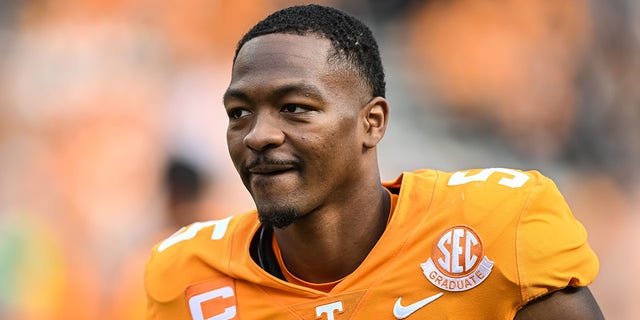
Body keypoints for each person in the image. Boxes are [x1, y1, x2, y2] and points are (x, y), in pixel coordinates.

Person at [145, 4, 603, 319]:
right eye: (239, 113)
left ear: (373, 122)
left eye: (295, 107)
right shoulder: (189, 274)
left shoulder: (498, 226)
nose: (259, 135)